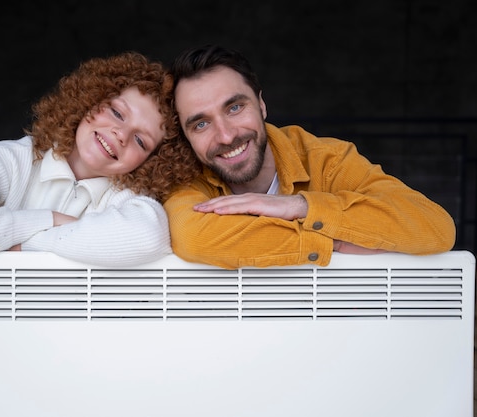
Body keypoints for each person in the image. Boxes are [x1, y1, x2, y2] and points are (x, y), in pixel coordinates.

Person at [163, 44, 456, 269]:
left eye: (235, 108)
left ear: (262, 105)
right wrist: (335, 241)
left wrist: (299, 207)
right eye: (201, 124)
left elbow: (435, 226)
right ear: (186, 137)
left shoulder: (327, 160)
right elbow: (193, 237)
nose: (226, 136)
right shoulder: (184, 175)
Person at [0, 51, 198, 267]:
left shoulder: (124, 196)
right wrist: (50, 219)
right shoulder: (8, 161)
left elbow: (147, 236)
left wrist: (31, 243)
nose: (120, 133)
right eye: (117, 113)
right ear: (89, 100)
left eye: (140, 140)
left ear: (151, 161)